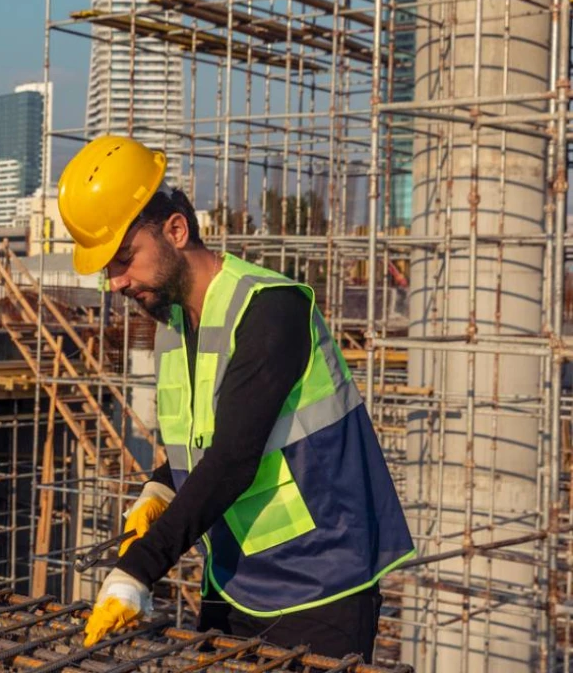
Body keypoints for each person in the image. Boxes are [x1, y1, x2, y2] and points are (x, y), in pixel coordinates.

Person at [57, 136, 414, 662]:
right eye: (108, 267)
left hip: (321, 587)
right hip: (234, 582)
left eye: (124, 258)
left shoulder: (271, 310)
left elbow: (234, 457)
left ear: (176, 229)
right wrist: (159, 487)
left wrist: (136, 570)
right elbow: (205, 438)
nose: (115, 282)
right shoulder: (174, 325)